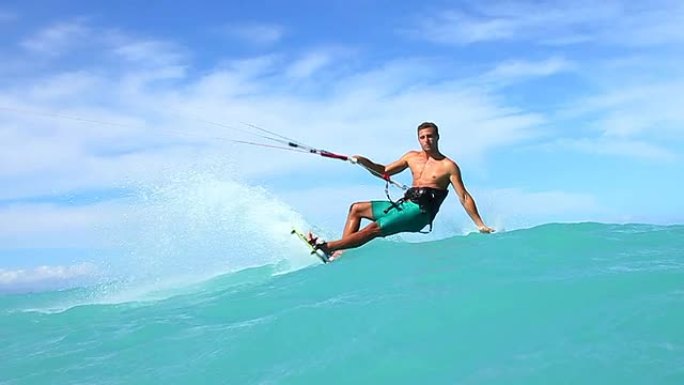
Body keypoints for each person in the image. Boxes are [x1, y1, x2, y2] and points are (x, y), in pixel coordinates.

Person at [309, 122, 494, 260]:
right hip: (405, 205)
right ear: (418, 139)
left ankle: (328, 246)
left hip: (419, 213)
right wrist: (363, 161)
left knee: (375, 228)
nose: (426, 140)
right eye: (422, 137)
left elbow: (463, 196)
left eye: (430, 136)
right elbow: (383, 171)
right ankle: (340, 253)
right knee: (356, 209)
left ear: (437, 137)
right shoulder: (411, 157)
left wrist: (480, 224)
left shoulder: (448, 166)